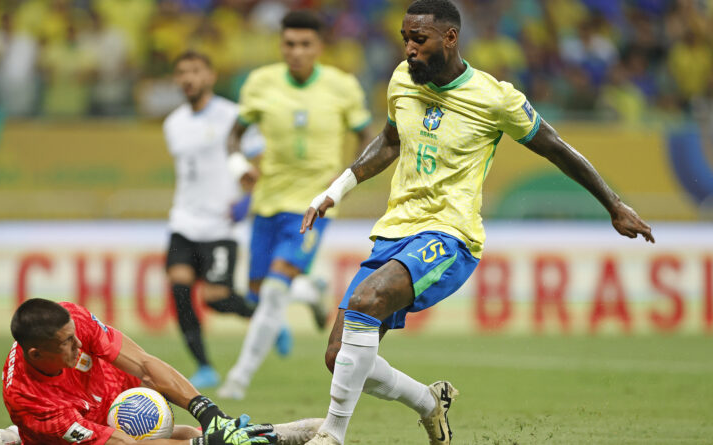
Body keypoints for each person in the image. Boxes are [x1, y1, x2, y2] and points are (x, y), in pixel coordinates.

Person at [298, 1, 655, 444]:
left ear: (450, 38)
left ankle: (331, 436)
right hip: (394, 230)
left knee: (368, 300)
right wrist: (335, 191)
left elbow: (556, 148)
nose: (409, 49)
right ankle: (430, 404)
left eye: (419, 40)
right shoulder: (401, 80)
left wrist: (614, 205)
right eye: (405, 38)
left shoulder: (494, 98)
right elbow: (390, 140)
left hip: (450, 234)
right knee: (340, 357)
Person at [218, 10, 373, 401]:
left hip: (312, 207)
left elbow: (366, 137)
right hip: (267, 202)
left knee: (271, 292)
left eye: (305, 45)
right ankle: (308, 292)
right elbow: (234, 134)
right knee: (256, 293)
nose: (297, 52)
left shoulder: (343, 87)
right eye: (289, 44)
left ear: (319, 47)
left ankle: (238, 378)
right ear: (281, 45)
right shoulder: (260, 83)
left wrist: (341, 184)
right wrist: (239, 167)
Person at [0, 298, 278, 445]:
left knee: (186, 430)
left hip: (110, 391)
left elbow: (143, 364)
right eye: (67, 343)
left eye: (76, 335)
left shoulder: (72, 319)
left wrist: (209, 414)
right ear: (37, 354)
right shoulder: (31, 401)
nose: (79, 344)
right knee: (177, 438)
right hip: (67, 423)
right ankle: (17, 436)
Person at [163, 50, 261, 389]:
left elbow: (258, 160)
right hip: (184, 221)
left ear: (210, 76)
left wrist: (247, 198)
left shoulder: (233, 116)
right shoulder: (172, 124)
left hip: (221, 224)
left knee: (217, 299)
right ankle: (204, 366)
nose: (188, 78)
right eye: (182, 72)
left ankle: (266, 319)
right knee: (179, 288)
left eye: (195, 71)